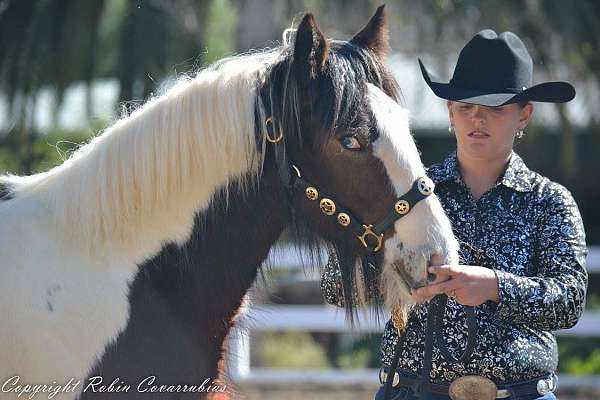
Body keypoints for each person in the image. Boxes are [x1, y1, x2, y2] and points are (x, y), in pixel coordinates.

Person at [320, 30, 588, 400]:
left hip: (522, 393)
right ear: (450, 112)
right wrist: (394, 270)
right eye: (465, 107)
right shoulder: (402, 193)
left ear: (524, 114)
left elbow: (570, 301)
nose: (477, 119)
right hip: (413, 390)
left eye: (494, 108)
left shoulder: (551, 201)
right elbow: (336, 286)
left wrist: (495, 286)